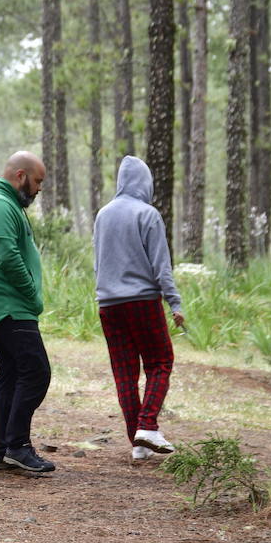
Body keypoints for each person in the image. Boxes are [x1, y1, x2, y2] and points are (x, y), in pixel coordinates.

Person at [93, 155, 185, 462]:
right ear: (145, 182)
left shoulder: (103, 215)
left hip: (108, 305)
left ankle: (139, 443)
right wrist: (174, 302)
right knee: (161, 361)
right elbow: (162, 266)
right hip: (142, 301)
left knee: (125, 373)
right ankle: (147, 426)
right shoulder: (148, 214)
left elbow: (98, 262)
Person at [0, 152, 56, 475]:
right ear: (21, 176)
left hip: (8, 306)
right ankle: (17, 445)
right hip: (10, 306)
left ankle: (1, 449)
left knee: (10, 373)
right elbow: (6, 256)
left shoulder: (5, 204)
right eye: (37, 182)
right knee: (36, 371)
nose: (38, 190)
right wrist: (31, 295)